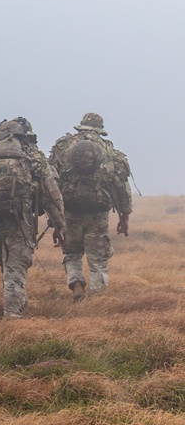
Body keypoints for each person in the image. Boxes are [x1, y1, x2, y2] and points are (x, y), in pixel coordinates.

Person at [0, 119, 65, 319]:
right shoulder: (33, 157)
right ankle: (13, 318)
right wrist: (59, 225)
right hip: (20, 221)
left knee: (7, 267)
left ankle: (17, 304)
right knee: (15, 268)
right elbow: (52, 195)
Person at [49, 113, 132, 301]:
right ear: (100, 129)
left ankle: (76, 283)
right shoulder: (109, 150)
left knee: (71, 253)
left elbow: (51, 184)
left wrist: (54, 221)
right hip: (98, 213)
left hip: (69, 212)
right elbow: (120, 185)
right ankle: (97, 299)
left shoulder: (62, 147)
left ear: (82, 126)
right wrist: (124, 218)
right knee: (98, 259)